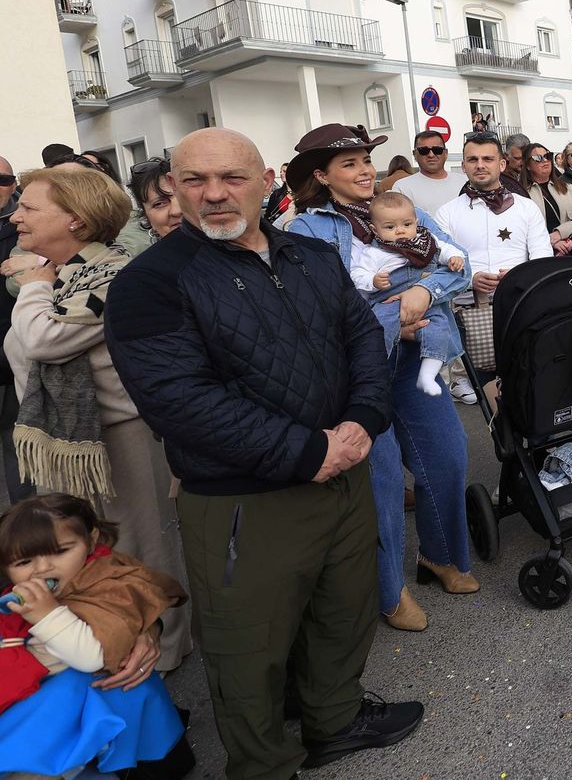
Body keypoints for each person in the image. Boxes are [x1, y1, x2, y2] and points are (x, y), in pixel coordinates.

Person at [105, 127, 424, 776]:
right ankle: (264, 765)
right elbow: (178, 400)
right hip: (242, 501)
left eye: (231, 177)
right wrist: (307, 450)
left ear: (266, 181)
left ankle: (334, 721)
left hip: (343, 473)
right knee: (249, 650)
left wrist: (362, 421)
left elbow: (362, 340)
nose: (213, 194)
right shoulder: (150, 284)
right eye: (194, 180)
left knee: (343, 612)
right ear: (174, 189)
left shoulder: (311, 255)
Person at [287, 125, 476, 636]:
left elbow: (459, 264)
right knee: (383, 478)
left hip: (414, 360)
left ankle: (440, 556)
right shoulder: (308, 228)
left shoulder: (400, 206)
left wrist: (423, 294)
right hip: (357, 369)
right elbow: (321, 307)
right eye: (348, 164)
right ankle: (389, 590)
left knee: (448, 454)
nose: (365, 171)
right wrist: (392, 321)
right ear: (321, 176)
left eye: (366, 160)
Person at [4, 164, 192, 672]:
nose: (16, 215)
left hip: (120, 436)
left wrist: (33, 285)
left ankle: (162, 660)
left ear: (76, 220)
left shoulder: (114, 275)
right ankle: (105, 646)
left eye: (29, 207)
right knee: (82, 554)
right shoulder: (56, 273)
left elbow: (43, 340)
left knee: (141, 547)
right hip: (67, 441)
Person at [0, 495, 191, 779]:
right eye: (25, 561)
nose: (42, 569)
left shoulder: (109, 581)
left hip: (94, 703)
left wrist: (48, 615)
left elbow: (92, 656)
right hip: (52, 702)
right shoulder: (20, 591)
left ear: (92, 540)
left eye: (60, 551)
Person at [435, 133, 554, 379]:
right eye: (473, 159)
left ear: (501, 164)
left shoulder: (526, 207)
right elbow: (438, 263)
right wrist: (470, 279)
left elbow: (543, 256)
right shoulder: (446, 213)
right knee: (480, 386)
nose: (480, 165)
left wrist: (519, 277)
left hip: (521, 308)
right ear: (463, 166)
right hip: (469, 314)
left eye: (488, 159)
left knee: (527, 381)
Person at [348, 191, 469, 396]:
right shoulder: (376, 252)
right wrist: (373, 280)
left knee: (440, 328)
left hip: (427, 304)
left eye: (407, 224)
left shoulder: (427, 241)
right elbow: (358, 274)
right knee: (380, 327)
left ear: (416, 222)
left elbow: (446, 249)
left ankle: (427, 375)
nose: (400, 231)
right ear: (375, 230)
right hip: (388, 301)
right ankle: (377, 369)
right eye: (390, 227)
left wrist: (454, 258)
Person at [524, 143, 572, 257]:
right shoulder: (522, 194)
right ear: (528, 165)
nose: (545, 160)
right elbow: (522, 230)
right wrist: (550, 241)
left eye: (548, 156)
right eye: (538, 158)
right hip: (541, 256)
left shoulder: (568, 189)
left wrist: (559, 233)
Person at [0, 155, 21, 505]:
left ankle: (26, 520)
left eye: (3, 180)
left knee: (18, 439)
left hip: (18, 348)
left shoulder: (25, 225)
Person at [394, 129, 467, 217]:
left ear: (446, 153)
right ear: (415, 154)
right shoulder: (402, 188)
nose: (431, 155)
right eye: (423, 150)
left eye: (437, 150)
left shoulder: (465, 182)